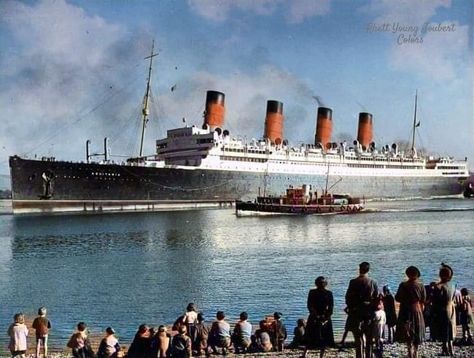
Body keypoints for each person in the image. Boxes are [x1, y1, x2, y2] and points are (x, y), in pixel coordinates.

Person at [345, 261, 378, 358]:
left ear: (359, 269)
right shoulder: (373, 282)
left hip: (356, 313)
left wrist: (350, 307)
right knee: (369, 338)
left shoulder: (353, 282)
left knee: (358, 338)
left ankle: (359, 356)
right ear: (368, 270)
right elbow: (376, 299)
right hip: (369, 313)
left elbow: (348, 298)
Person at [395, 266, 426, 358]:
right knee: (417, 330)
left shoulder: (403, 285)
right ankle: (415, 352)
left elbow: (397, 298)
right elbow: (423, 299)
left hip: (405, 310)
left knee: (407, 330)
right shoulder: (420, 285)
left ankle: (409, 350)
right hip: (416, 310)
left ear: (407, 274)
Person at [303, 276, 335, 358]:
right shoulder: (329, 293)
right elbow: (331, 308)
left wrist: (316, 315)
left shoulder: (312, 292)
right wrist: (325, 318)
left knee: (310, 336)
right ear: (326, 284)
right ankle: (321, 355)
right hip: (324, 317)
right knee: (324, 338)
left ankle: (305, 354)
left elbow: (309, 306)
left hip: (314, 316)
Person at [431, 263, 457, 356]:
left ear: (441, 275)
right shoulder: (453, 285)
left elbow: (435, 300)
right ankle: (451, 348)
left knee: (443, 329)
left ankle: (445, 348)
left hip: (442, 310)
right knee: (450, 328)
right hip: (452, 308)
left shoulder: (439, 287)